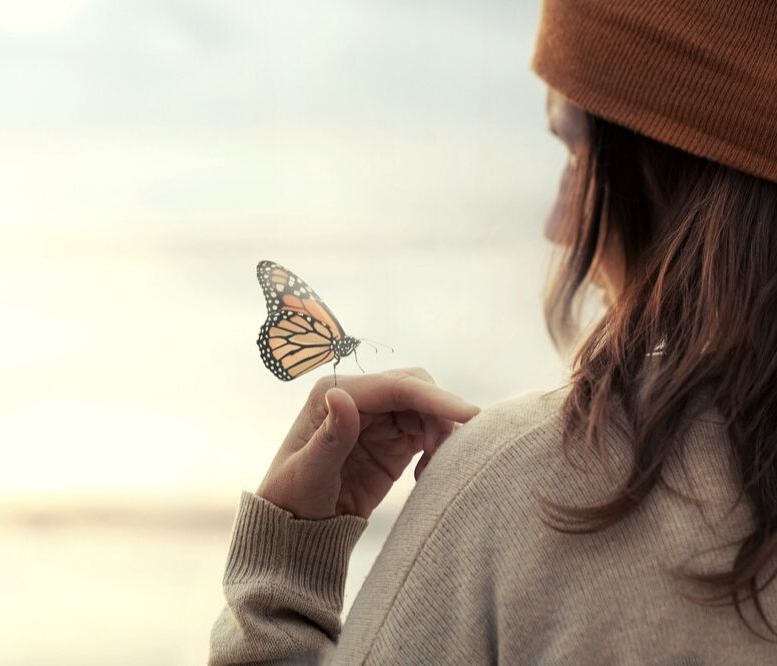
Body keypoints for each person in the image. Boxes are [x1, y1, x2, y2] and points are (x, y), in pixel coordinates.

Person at [209, 0, 777, 662]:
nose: (558, 225)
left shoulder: (531, 485)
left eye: (575, 154)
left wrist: (281, 580)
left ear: (668, 169)